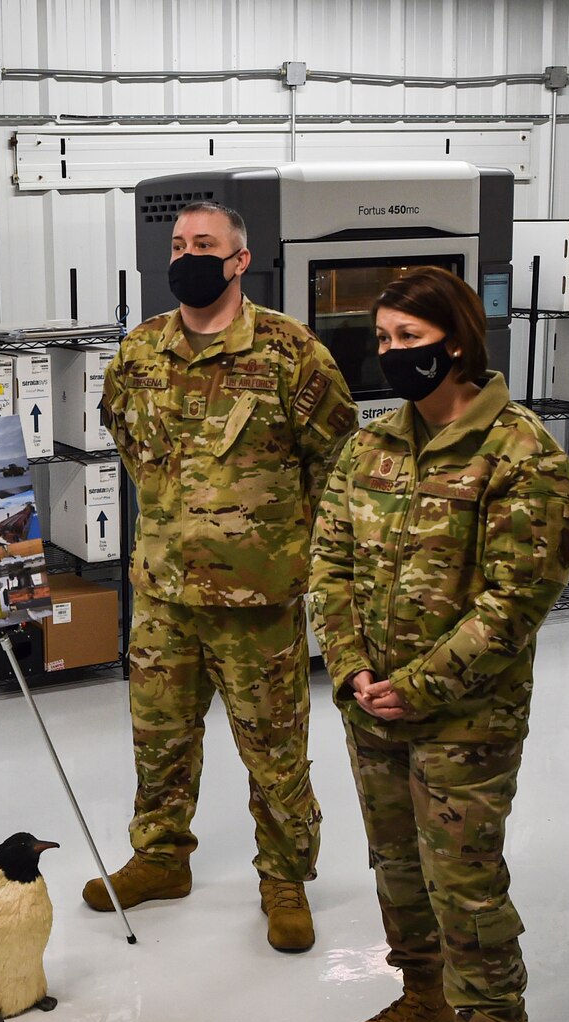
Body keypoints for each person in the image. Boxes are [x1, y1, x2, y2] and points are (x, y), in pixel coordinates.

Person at [309, 266, 569, 1022]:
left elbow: (514, 601)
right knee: (394, 863)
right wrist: (349, 669)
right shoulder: (368, 447)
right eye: (380, 340)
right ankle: (423, 995)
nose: (388, 356)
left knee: (464, 879)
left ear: (455, 343)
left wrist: (415, 686)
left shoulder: (521, 453)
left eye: (406, 342)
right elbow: (328, 567)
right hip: (369, 705)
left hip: (467, 716)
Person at [82, 200, 357, 952]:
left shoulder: (290, 351)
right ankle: (161, 857)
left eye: (205, 243)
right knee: (158, 738)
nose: (187, 254)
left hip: (257, 600)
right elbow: (128, 441)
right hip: (164, 593)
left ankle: (285, 876)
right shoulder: (139, 352)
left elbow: (338, 462)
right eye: (178, 244)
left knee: (274, 748)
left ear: (240, 260)